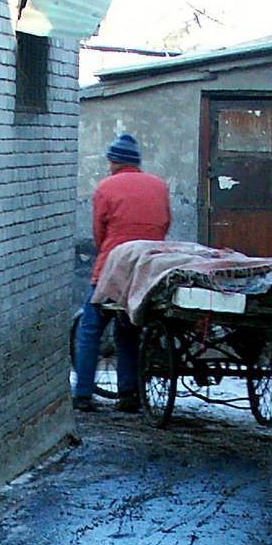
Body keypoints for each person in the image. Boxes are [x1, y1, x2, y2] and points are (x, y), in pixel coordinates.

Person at [73, 133, 172, 412]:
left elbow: (99, 234)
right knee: (129, 329)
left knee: (90, 328)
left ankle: (82, 394)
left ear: (115, 161)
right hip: (150, 268)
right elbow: (164, 224)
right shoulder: (159, 186)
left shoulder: (105, 188)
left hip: (114, 267)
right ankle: (129, 394)